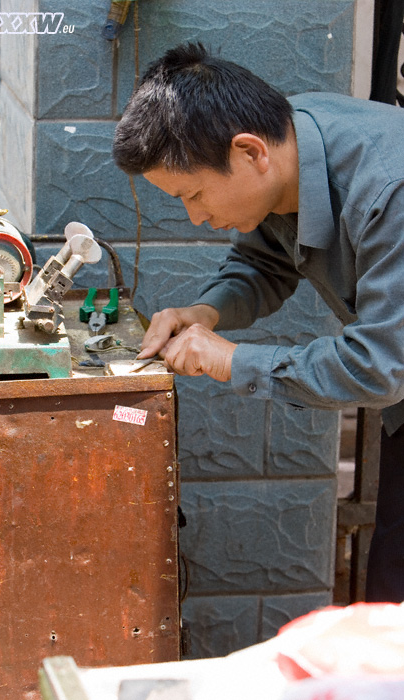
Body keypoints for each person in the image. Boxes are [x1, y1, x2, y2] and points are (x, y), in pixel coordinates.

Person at [113, 42, 404, 603]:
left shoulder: (389, 189)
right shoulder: (289, 138)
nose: (196, 216)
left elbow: (381, 366)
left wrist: (234, 360)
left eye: (194, 194)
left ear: (249, 152)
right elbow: (264, 261)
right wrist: (205, 311)